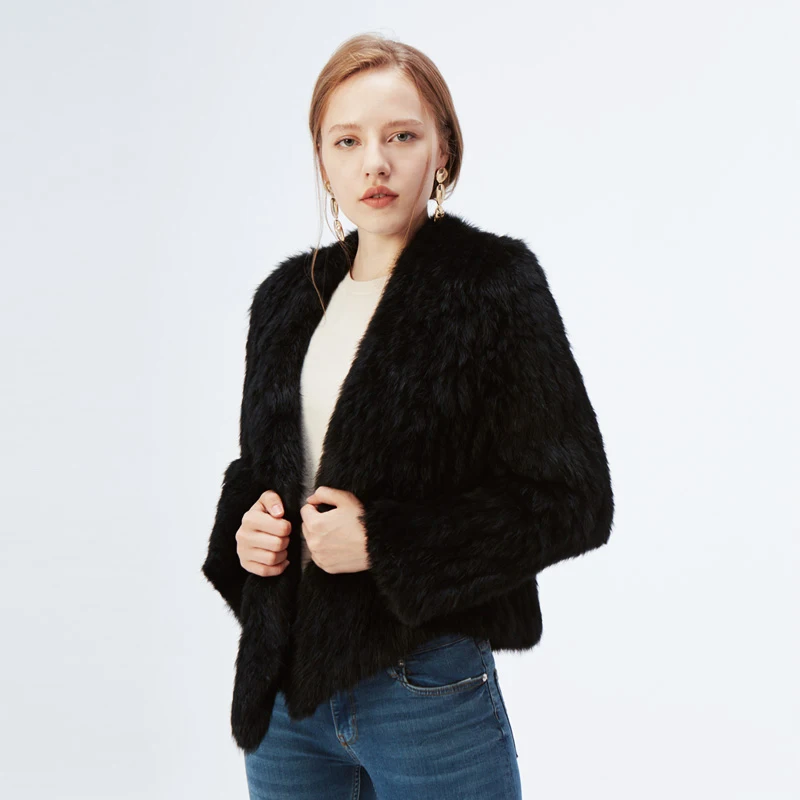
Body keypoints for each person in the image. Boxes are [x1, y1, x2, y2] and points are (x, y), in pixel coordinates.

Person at [202, 33, 614, 800]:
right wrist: (248, 530)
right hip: (287, 696)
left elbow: (574, 499)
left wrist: (386, 543)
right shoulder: (286, 299)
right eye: (347, 140)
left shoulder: (492, 286)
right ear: (321, 159)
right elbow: (263, 472)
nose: (375, 164)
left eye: (401, 136)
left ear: (442, 150)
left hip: (423, 688)